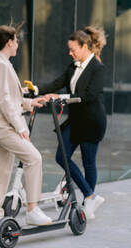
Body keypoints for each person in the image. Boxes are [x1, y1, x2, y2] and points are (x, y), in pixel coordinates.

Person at [0, 24, 51, 232]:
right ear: (9, 42)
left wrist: (31, 103)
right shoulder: (1, 65)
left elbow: (10, 98)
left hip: (2, 126)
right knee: (34, 158)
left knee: (1, 172)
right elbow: (4, 101)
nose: (18, 45)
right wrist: (21, 127)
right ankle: (32, 210)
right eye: (16, 41)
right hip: (5, 127)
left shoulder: (1, 63)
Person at [38, 26, 107, 219]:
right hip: (76, 121)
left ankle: (88, 204)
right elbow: (55, 84)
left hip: (92, 122)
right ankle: (91, 196)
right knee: (61, 157)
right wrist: (35, 89)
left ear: (85, 46)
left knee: (88, 163)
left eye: (73, 49)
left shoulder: (97, 69)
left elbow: (88, 96)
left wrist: (62, 98)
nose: (70, 53)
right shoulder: (72, 67)